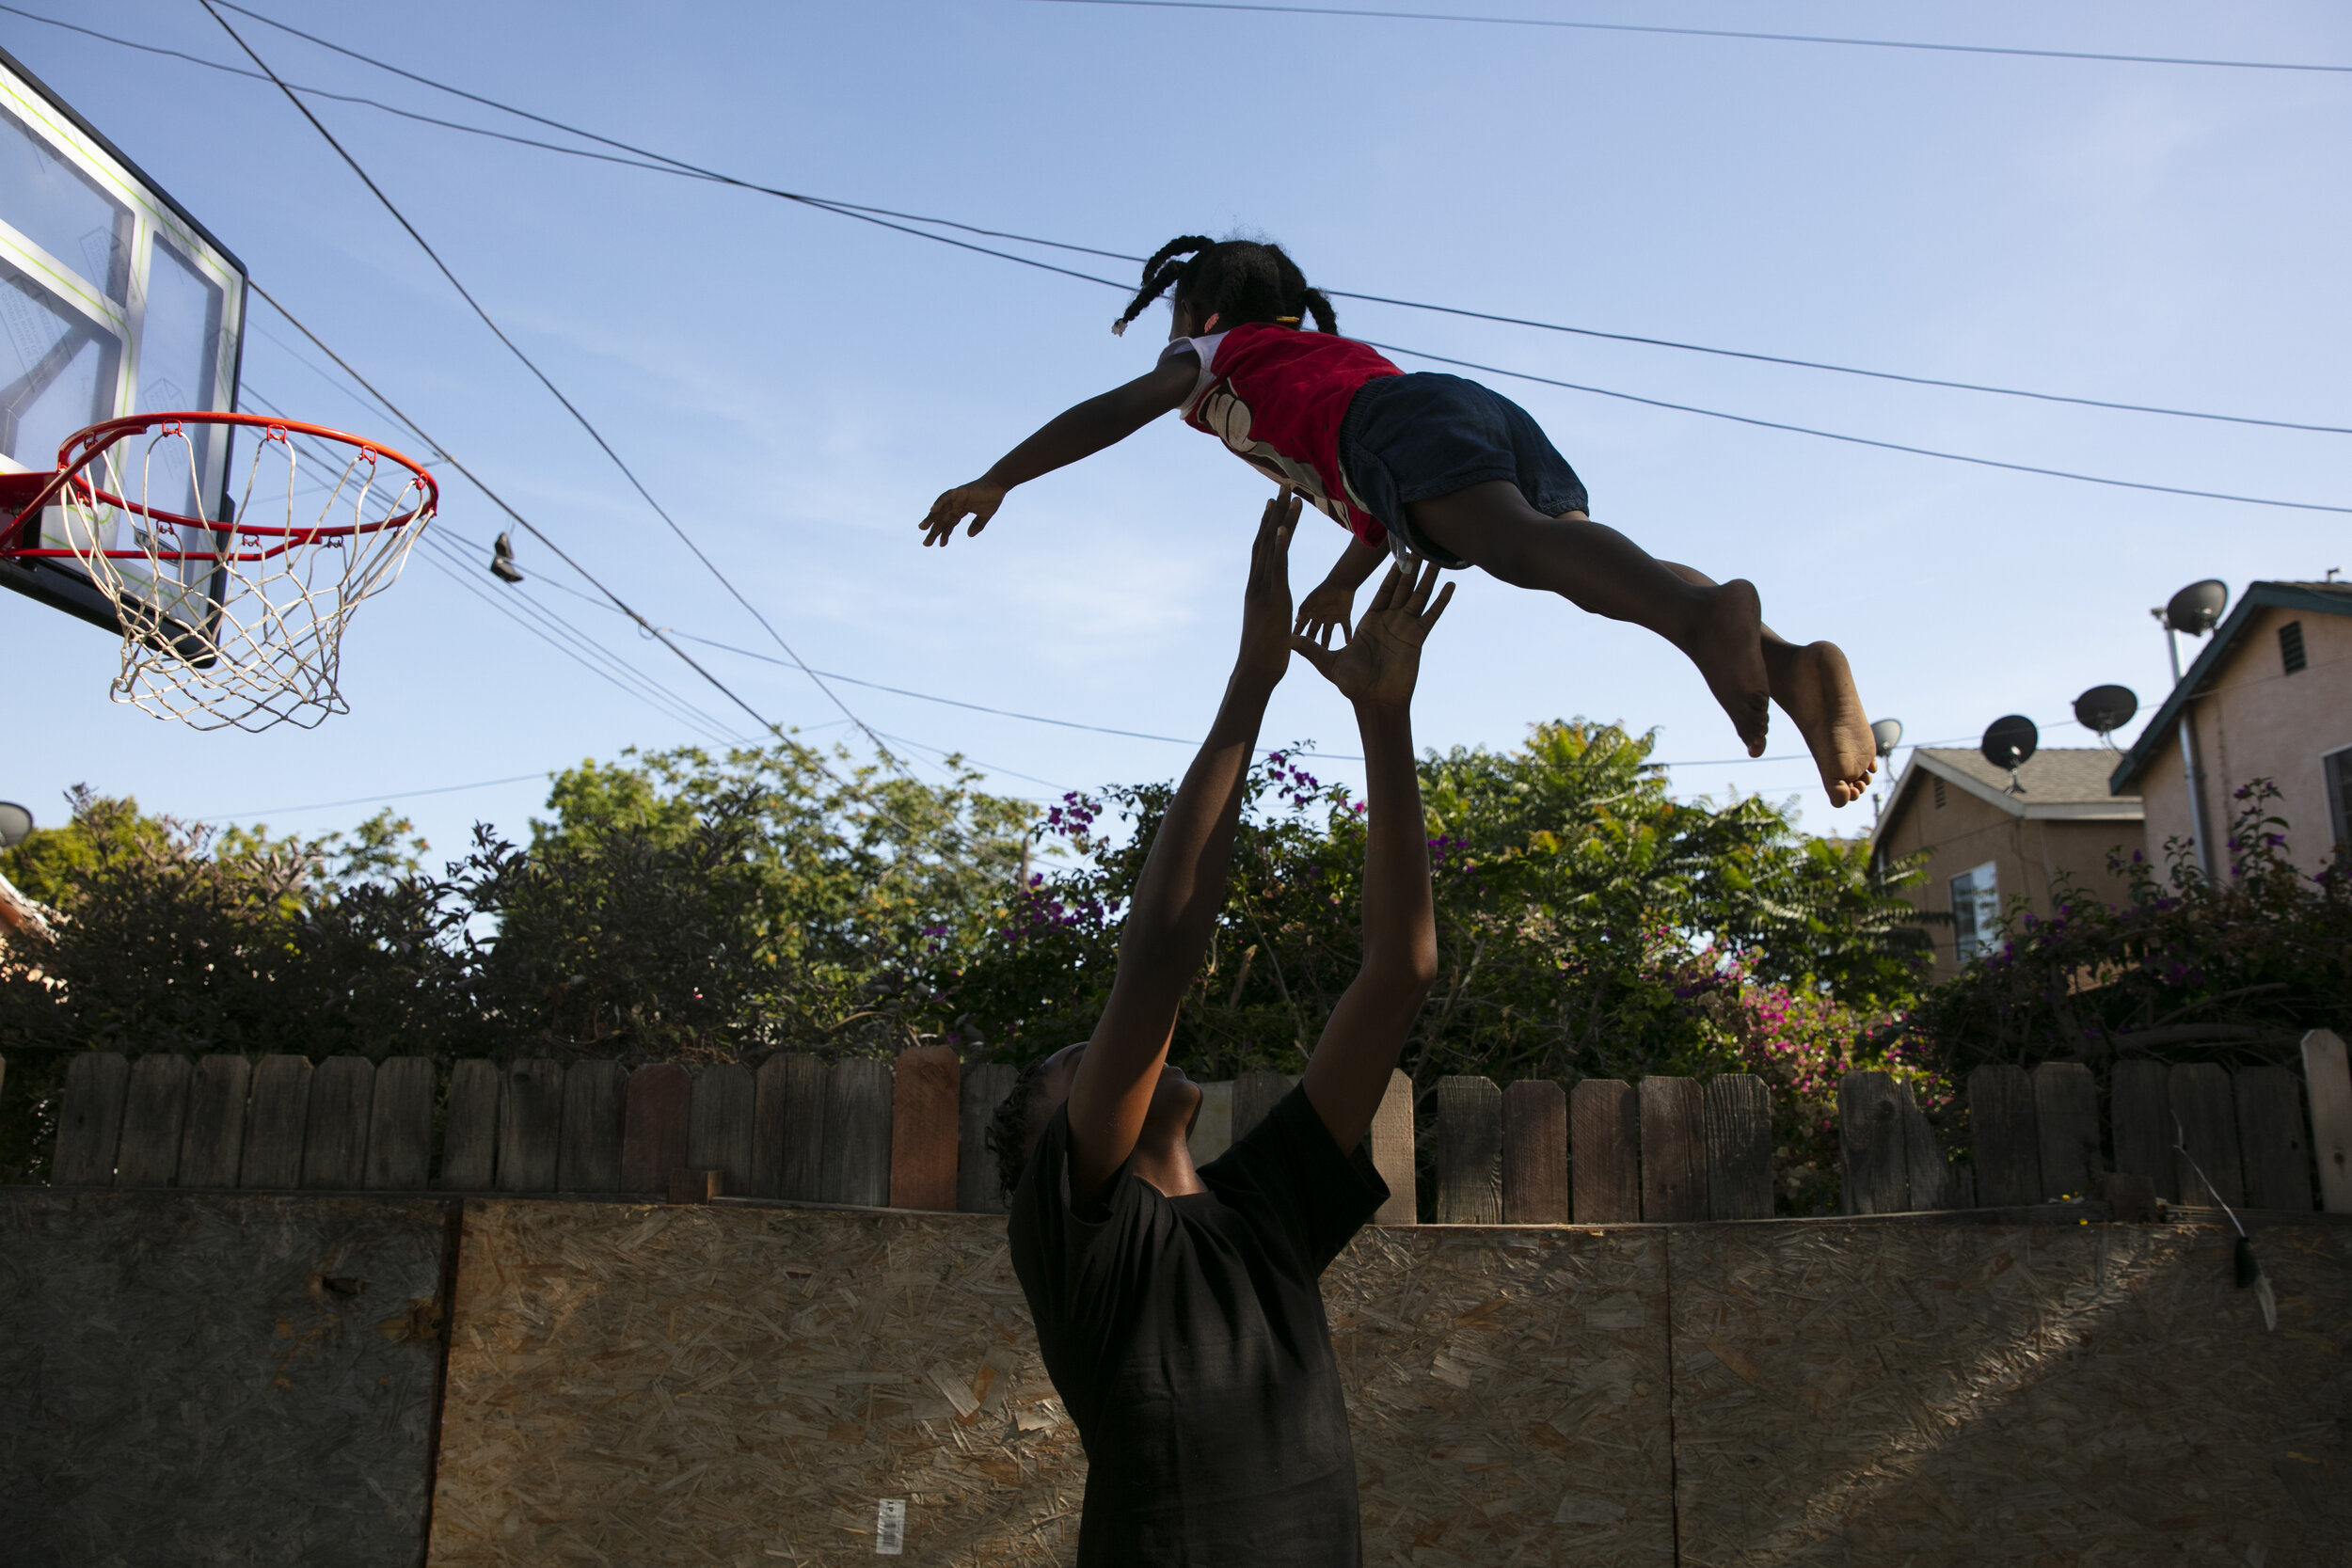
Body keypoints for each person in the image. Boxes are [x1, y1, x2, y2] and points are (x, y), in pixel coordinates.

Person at [921, 235, 1877, 808]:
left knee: (1517, 549)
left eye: (1179, 315)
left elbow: (1117, 407)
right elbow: (1370, 490)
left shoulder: (1216, 353)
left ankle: (1706, 620)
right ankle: (1786, 658)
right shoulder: (1314, 360)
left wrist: (999, 477)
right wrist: (1344, 577)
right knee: (1568, 555)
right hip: (1457, 409)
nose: (1175, 333)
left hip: (1393, 428)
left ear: (1202, 309)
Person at [993, 490, 1452, 1566]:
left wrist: (1382, 719)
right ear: (1044, 1156)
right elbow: (1159, 960)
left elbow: (1401, 970)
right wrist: (1253, 678)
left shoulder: (1265, 1209)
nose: (1101, 1051)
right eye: (1079, 1064)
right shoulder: (1082, 1240)